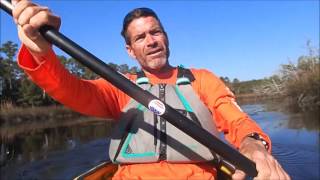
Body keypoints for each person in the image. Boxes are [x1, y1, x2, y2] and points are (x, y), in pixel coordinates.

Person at [11, 0, 290, 179]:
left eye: (156, 32)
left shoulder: (202, 79)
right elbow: (68, 88)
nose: (151, 41)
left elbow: (236, 119)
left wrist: (253, 145)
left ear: (166, 38)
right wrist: (40, 52)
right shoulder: (119, 86)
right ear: (130, 51)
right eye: (141, 37)